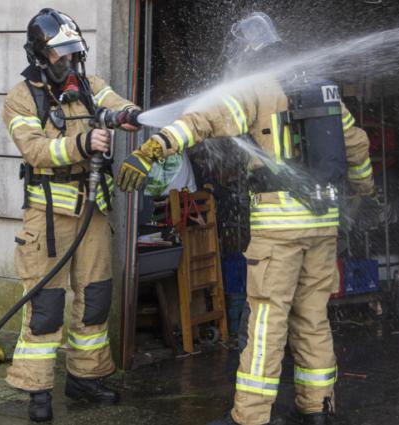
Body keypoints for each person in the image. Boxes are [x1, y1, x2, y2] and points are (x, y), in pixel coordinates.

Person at [116, 12, 375, 425]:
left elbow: (203, 120)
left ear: (248, 52)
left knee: (267, 321)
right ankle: (318, 410)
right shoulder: (321, 88)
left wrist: (155, 147)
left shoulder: (256, 87)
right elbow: (357, 144)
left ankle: (250, 418)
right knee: (312, 317)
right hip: (322, 223)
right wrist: (364, 191)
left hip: (279, 226)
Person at [2, 8, 140, 423]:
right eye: (60, 53)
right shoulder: (21, 97)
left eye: (72, 51)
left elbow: (117, 103)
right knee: (45, 305)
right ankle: (37, 389)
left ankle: (86, 377)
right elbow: (36, 150)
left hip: (93, 212)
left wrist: (128, 114)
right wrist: (83, 143)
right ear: (41, 54)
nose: (68, 60)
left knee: (95, 298)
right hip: (47, 217)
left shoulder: (90, 86)